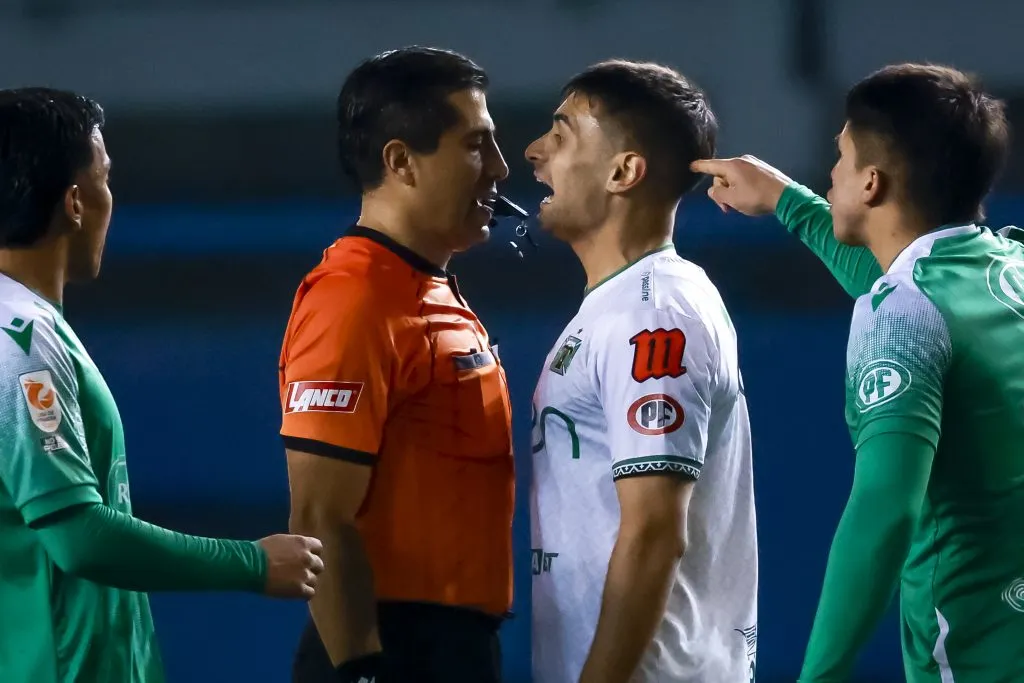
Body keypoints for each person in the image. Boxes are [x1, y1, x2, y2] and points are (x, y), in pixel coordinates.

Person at [692, 62, 1024, 682]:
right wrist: (788, 202)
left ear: (871, 182)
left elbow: (884, 510)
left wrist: (820, 675)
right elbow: (911, 293)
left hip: (977, 653)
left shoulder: (901, 314)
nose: (832, 173)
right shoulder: (1008, 267)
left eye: (840, 159)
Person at [0, 87, 324, 683]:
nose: (109, 199)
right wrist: (251, 564)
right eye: (105, 178)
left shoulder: (30, 327)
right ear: (74, 202)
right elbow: (81, 538)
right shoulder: (18, 340)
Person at [280, 46, 515, 683]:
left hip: (453, 647)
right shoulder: (354, 297)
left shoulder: (427, 287)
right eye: (476, 145)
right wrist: (361, 670)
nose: (499, 167)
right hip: (395, 652)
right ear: (400, 161)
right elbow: (319, 515)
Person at [525, 59, 758, 683]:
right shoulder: (623, 305)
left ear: (623, 171)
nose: (533, 152)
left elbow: (655, 531)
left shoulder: (652, 316)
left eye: (562, 133)